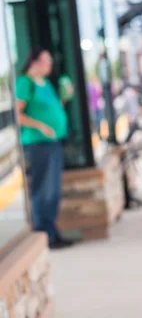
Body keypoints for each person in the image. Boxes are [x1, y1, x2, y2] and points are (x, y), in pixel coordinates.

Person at [16, 47, 75, 249]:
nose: (49, 65)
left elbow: (53, 107)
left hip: (53, 142)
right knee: (43, 189)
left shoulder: (46, 83)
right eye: (46, 61)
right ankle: (44, 234)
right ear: (34, 63)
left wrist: (65, 98)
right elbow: (18, 114)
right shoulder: (25, 83)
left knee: (54, 190)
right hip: (38, 144)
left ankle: (52, 231)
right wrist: (40, 126)